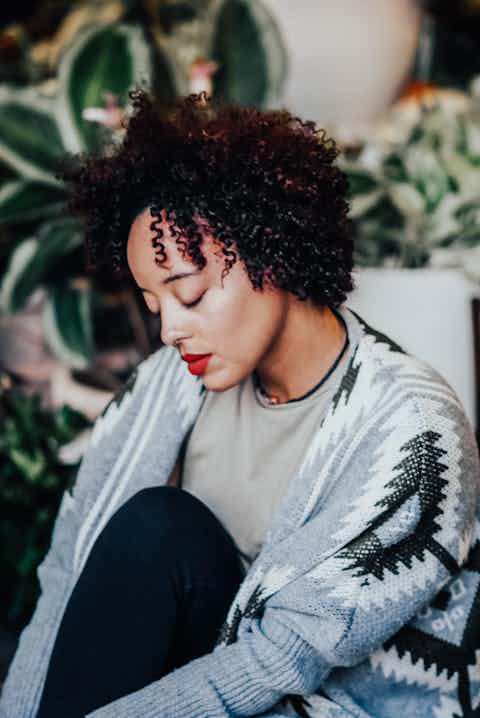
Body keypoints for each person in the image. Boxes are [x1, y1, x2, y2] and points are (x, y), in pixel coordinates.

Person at [1, 89, 479, 718]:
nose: (170, 329)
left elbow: (280, 659)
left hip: (314, 700)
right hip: (187, 679)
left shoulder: (415, 433)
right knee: (153, 527)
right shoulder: (167, 385)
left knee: (160, 525)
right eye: (154, 303)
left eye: (190, 294)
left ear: (271, 251)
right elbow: (69, 572)